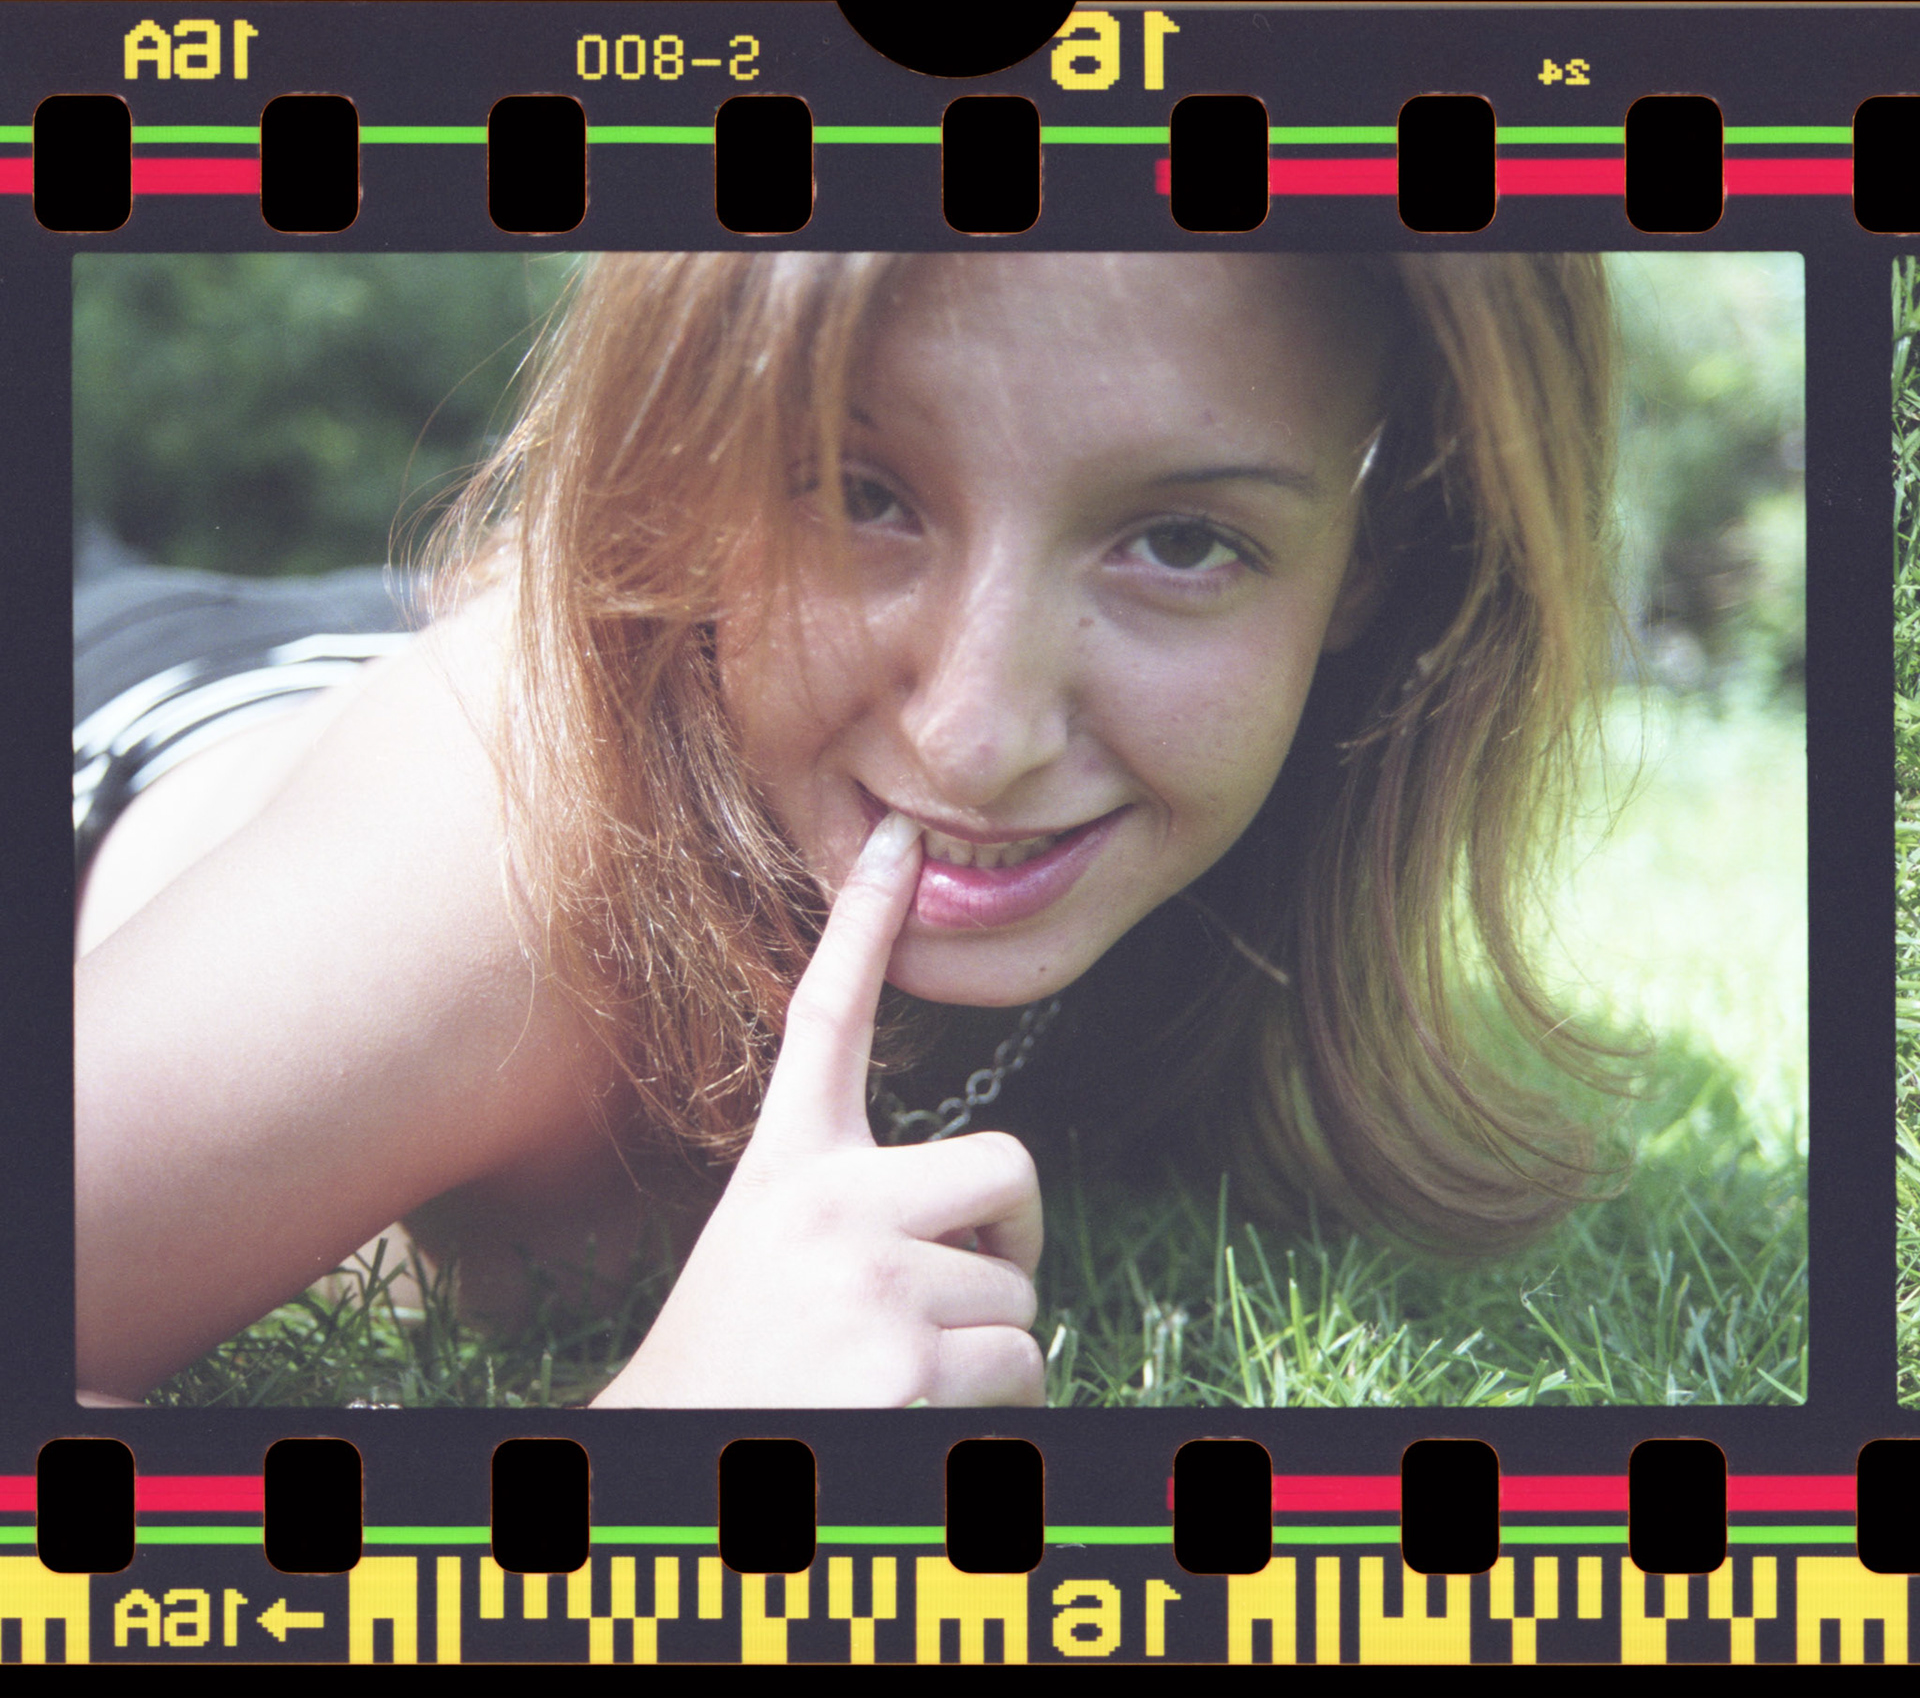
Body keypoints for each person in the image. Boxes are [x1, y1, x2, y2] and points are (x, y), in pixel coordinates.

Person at [74, 252, 1626, 1409]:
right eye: (860, 489)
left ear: (1378, 558)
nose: (975, 738)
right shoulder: (486, 872)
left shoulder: (1301, 814)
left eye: (1180, 540)